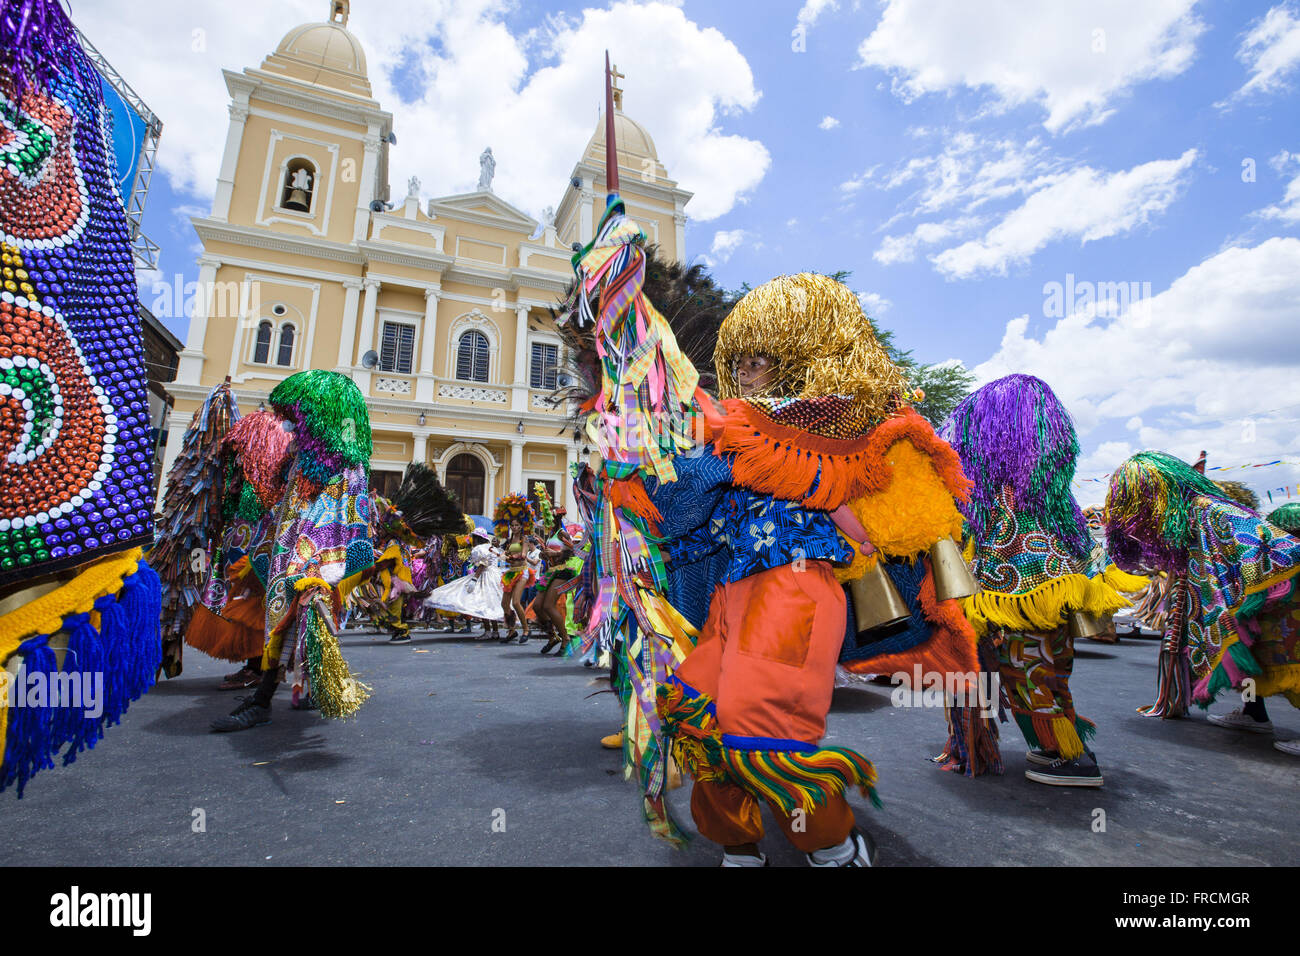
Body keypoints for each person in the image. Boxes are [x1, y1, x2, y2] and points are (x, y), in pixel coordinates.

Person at [939, 375, 1133, 786]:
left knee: (1030, 676)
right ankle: (1060, 748)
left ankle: (1069, 756)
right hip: (1045, 603)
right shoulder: (1053, 499)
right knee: (1047, 673)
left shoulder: (1001, 498)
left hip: (1017, 605)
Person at [1104, 452, 1300, 757]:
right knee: (1252, 652)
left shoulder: (1207, 510)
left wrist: (1247, 594)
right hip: (1265, 594)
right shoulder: (1191, 515)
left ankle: (1254, 713)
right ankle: (1254, 714)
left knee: (1285, 655)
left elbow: (1261, 549)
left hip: (1283, 592)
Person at [209, 370, 374, 732]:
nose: (290, 423)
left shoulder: (347, 466)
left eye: (297, 414)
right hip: (287, 553)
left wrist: (317, 565)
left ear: (320, 415)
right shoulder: (300, 461)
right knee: (288, 624)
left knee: (290, 623)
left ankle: (263, 699)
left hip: (311, 559)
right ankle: (305, 686)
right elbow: (283, 507)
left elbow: (339, 518)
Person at [423, 529, 504, 637]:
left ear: (477, 538)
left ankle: (488, 631)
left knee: (483, 603)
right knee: (491, 603)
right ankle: (495, 631)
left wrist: (474, 579)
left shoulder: (479, 549)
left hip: (484, 576)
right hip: (495, 576)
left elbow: (482, 564)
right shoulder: (492, 548)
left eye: (473, 538)